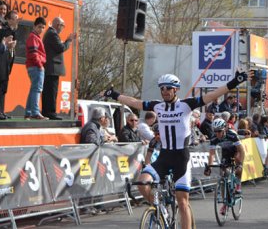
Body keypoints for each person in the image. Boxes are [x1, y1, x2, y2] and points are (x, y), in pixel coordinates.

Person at [102, 70, 250, 229]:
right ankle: (161, 210)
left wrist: (235, 82)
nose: (164, 91)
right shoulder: (157, 106)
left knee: (182, 202)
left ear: (176, 89)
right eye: (162, 88)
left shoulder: (186, 105)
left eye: (168, 88)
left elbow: (212, 95)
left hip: (182, 159)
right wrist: (114, 94)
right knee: (142, 183)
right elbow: (133, 102)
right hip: (164, 157)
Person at [41, 17, 76, 120]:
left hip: (50, 68)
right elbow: (61, 48)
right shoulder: (52, 34)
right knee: (51, 91)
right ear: (58, 25)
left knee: (48, 91)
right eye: (62, 26)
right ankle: (50, 112)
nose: (62, 28)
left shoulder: (50, 33)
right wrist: (68, 41)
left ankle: (47, 111)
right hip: (52, 68)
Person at [204, 118, 245, 199]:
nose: (217, 134)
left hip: (236, 150)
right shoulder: (213, 138)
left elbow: (241, 150)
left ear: (224, 129)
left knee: (238, 164)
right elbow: (212, 154)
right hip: (226, 152)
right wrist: (209, 167)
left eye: (219, 131)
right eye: (215, 131)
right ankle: (224, 203)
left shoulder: (232, 134)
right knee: (223, 174)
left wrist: (240, 164)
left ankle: (238, 184)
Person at [24, 17, 48, 120]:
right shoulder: (33, 37)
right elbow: (34, 53)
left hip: (33, 66)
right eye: (39, 27)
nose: (41, 29)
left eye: (43, 27)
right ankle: (35, 112)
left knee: (34, 89)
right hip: (36, 66)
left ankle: (28, 112)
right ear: (34, 26)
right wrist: (40, 65)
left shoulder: (35, 37)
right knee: (37, 89)